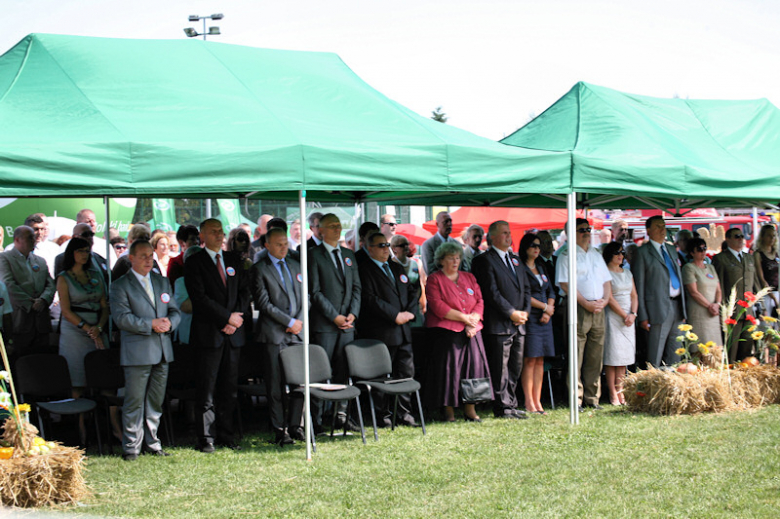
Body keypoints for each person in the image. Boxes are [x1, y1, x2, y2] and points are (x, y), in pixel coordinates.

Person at [184, 218, 251, 452]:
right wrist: (226, 318)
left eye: (221, 231)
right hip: (208, 334)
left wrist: (236, 318)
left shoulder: (234, 260)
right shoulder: (194, 262)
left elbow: (244, 291)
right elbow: (199, 298)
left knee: (229, 387)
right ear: (202, 236)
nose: (219, 235)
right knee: (207, 388)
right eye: (213, 231)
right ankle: (206, 437)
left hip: (233, 335)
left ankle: (226, 434)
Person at [110, 240, 180, 461]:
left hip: (162, 349)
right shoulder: (120, 285)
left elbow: (175, 310)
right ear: (131, 258)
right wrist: (151, 324)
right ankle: (131, 446)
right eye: (143, 256)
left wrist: (170, 323)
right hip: (137, 351)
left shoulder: (162, 281)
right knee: (134, 400)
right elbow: (122, 318)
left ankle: (153, 442)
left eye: (151, 255)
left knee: (155, 400)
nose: (149, 260)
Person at [425, 242, 492, 422]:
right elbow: (438, 306)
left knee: (474, 369)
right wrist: (465, 319)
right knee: (450, 371)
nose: (455, 261)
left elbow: (479, 300)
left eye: (457, 258)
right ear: (441, 260)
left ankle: (470, 409)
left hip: (472, 331)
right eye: (450, 258)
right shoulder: (434, 279)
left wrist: (473, 320)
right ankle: (449, 411)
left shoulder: (469, 277)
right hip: (447, 333)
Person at [357, 231, 419, 427]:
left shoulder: (395, 266)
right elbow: (370, 299)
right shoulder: (365, 270)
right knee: (381, 376)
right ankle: (381, 415)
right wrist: (395, 315)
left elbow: (412, 290)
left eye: (387, 245)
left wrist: (410, 313)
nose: (386, 249)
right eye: (381, 246)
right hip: (383, 331)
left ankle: (404, 414)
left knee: (406, 373)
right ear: (370, 249)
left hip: (404, 330)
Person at [250, 228, 305, 445]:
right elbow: (263, 304)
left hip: (297, 332)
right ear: (267, 246)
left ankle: (296, 425)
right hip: (274, 334)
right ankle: (280, 429)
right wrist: (289, 322)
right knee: (275, 384)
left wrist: (298, 321)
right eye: (279, 244)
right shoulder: (259, 269)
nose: (284, 248)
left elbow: (306, 297)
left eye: (286, 244)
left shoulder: (296, 265)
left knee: (299, 382)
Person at [308, 213, 361, 431]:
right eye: (332, 226)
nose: (337, 228)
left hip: (347, 325)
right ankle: (317, 419)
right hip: (325, 325)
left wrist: (352, 314)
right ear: (320, 230)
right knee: (321, 371)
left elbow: (356, 287)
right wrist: (334, 316)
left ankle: (340, 414)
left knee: (343, 370)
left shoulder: (348, 254)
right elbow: (315, 291)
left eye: (339, 225)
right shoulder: (313, 254)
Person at [472, 220, 530, 420]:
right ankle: (502, 407)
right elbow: (491, 292)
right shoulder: (484, 260)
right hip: (499, 323)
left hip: (519, 323)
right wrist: (511, 312)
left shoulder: (515, 259)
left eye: (509, 232)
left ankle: (511, 404)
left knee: (515, 367)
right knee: (500, 368)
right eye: (504, 233)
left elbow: (526, 288)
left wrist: (524, 312)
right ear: (493, 237)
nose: (508, 236)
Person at [57, 237, 111, 444]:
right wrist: (87, 328)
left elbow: (104, 305)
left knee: (105, 377)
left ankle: (109, 426)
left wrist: (99, 327)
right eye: (80, 251)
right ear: (72, 253)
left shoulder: (96, 275)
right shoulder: (64, 278)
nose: (84, 255)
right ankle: (80, 430)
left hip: (97, 327)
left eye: (87, 251)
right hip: (75, 331)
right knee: (77, 380)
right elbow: (65, 310)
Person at [556, 218, 612, 411]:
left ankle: (592, 398)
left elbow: (606, 280)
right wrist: (586, 303)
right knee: (576, 355)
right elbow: (565, 284)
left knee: (595, 356)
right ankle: (576, 398)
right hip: (578, 307)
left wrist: (605, 300)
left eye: (588, 229)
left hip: (598, 308)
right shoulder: (566, 255)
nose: (587, 232)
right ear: (571, 233)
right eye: (582, 230)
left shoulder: (596, 253)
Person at [633, 215, 687, 367]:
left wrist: (684, 308)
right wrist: (642, 316)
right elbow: (639, 286)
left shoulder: (671, 249)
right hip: (656, 308)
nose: (662, 229)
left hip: (677, 306)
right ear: (648, 230)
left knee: (675, 351)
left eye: (663, 226)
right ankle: (652, 380)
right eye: (657, 226)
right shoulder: (642, 252)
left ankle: (672, 380)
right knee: (655, 355)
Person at [0, 226, 56, 363]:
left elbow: (51, 284)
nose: (34, 239)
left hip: (41, 323)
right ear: (17, 240)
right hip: (20, 320)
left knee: (42, 361)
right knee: (21, 361)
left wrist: (43, 300)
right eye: (29, 237)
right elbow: (8, 285)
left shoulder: (40, 261)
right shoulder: (4, 258)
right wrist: (30, 304)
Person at [519, 233, 555, 415]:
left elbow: (551, 291)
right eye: (533, 245)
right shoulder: (520, 268)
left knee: (540, 359)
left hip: (545, 318)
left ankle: (538, 401)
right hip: (531, 316)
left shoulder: (541, 266)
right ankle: (529, 402)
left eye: (538, 246)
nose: (536, 249)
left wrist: (549, 310)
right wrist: (545, 307)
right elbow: (524, 294)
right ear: (525, 247)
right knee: (530, 359)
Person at [712, 228, 759, 362]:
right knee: (731, 347)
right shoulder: (721, 258)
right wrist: (723, 308)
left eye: (742, 236)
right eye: (737, 236)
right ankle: (731, 370)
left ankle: (744, 370)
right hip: (732, 310)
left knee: (747, 345)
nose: (741, 239)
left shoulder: (749, 258)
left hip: (748, 310)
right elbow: (719, 285)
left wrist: (759, 306)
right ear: (728, 239)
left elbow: (754, 283)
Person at [602, 242, 637, 406]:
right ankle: (612, 393)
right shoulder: (606, 273)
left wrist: (633, 314)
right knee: (612, 357)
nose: (620, 255)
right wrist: (624, 315)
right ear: (609, 254)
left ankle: (621, 391)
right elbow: (609, 298)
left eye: (622, 253)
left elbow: (634, 295)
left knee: (623, 358)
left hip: (629, 318)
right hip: (614, 317)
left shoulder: (628, 272)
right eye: (617, 252)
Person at [682, 237, 722, 346]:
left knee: (716, 346)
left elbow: (718, 289)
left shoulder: (710, 267)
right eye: (699, 249)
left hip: (714, 312)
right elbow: (693, 292)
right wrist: (710, 306)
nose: (703, 251)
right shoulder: (688, 268)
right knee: (701, 345)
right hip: (700, 312)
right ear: (692, 252)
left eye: (705, 248)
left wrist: (717, 304)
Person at [390, 234, 427, 322]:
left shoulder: (414, 263)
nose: (406, 247)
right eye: (402, 245)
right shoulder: (390, 264)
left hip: (414, 304)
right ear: (394, 248)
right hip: (398, 306)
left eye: (407, 244)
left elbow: (419, 284)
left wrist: (422, 302)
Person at [754, 224, 779, 315]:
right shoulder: (758, 254)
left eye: (773, 236)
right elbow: (761, 279)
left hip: (778, 291)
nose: (772, 238)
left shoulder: (777, 253)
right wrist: (774, 299)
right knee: (768, 320)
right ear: (762, 237)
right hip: (766, 294)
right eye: (769, 236)